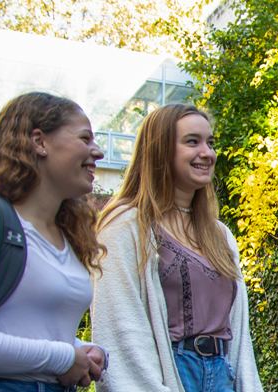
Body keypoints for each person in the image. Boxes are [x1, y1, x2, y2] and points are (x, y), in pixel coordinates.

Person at [0, 91, 108, 390]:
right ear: (39, 142)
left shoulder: (68, 234)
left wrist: (84, 351)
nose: (98, 152)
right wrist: (63, 356)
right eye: (85, 139)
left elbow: (29, 329)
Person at [90, 104, 264, 391]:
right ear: (160, 151)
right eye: (192, 141)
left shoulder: (219, 234)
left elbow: (239, 335)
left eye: (210, 142)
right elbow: (122, 331)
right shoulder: (126, 227)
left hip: (222, 375)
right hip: (168, 374)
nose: (207, 153)